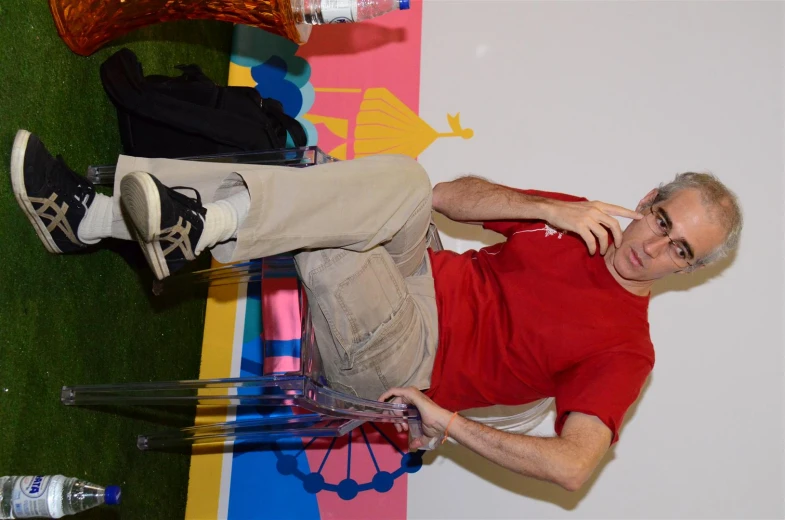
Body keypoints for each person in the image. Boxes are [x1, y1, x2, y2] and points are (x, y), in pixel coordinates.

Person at [10, 129, 742, 491]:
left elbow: (575, 467)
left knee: (333, 228)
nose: (654, 247)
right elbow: (443, 199)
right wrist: (547, 204)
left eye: (680, 251)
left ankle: (113, 221)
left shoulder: (627, 350)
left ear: (688, 272)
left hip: (403, 363)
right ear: (644, 202)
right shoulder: (576, 224)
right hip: (414, 269)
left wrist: (449, 425)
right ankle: (122, 220)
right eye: (661, 222)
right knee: (398, 180)